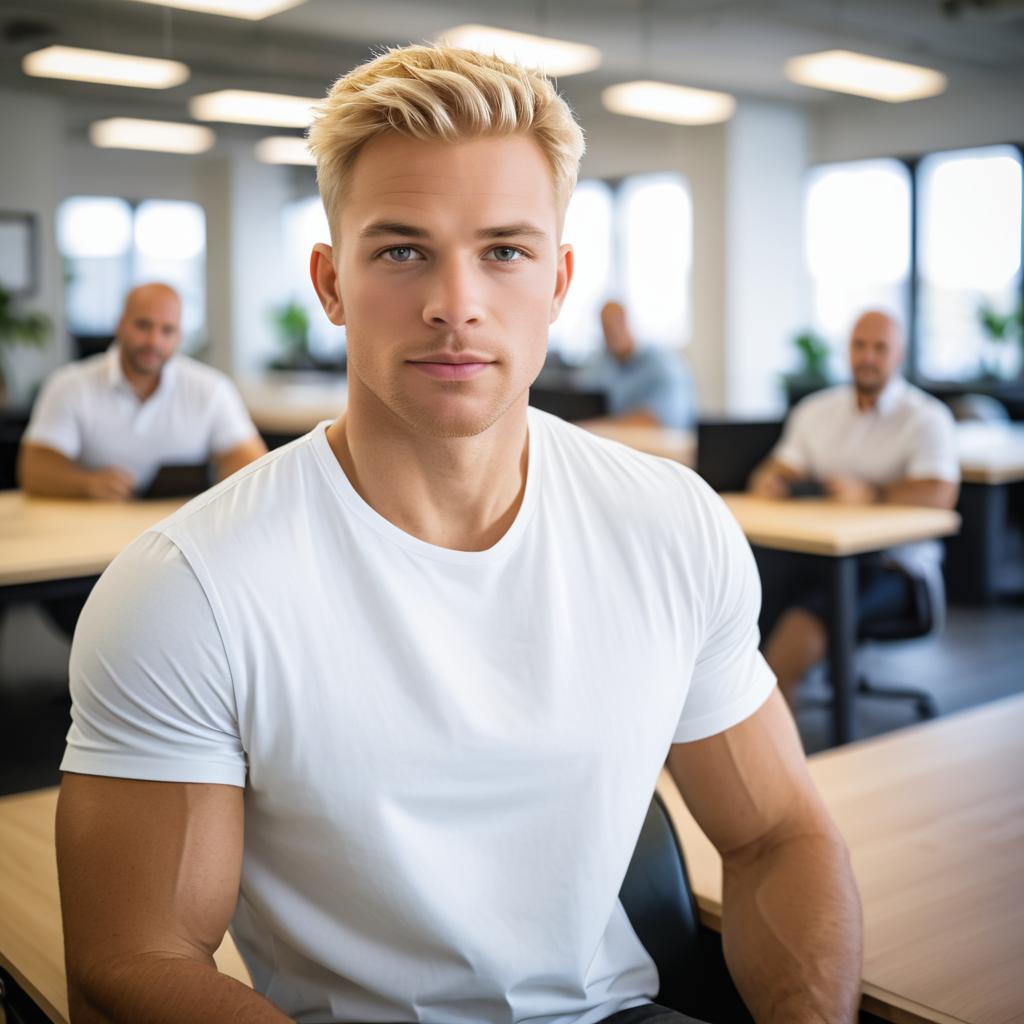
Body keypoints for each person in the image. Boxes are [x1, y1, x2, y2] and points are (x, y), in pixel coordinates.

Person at [55, 46, 861, 1024]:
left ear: (558, 281)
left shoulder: (671, 523)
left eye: (504, 251)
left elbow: (779, 834)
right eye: (401, 250)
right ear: (331, 282)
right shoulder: (189, 587)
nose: (455, 304)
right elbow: (135, 954)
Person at [748, 310, 959, 702]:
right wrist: (773, 480)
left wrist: (874, 494)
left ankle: (785, 753)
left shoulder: (926, 418)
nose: (868, 357)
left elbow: (940, 495)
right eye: (859, 346)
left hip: (895, 568)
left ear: (899, 354)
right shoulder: (816, 412)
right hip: (816, 558)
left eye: (880, 348)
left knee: (787, 647)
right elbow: (776, 469)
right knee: (745, 609)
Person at [18, 282, 266, 500]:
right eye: (143, 326)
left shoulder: (212, 389)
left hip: (180, 534)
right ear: (121, 325)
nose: (154, 341)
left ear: (179, 336)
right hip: (93, 530)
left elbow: (254, 465)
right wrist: (87, 484)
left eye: (167, 330)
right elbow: (34, 469)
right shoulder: (69, 386)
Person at [574, 301, 696, 430]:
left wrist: (597, 426)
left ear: (629, 321)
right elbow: (575, 396)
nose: (613, 332)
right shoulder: (602, 364)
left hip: (658, 446)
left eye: (618, 322)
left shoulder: (663, 365)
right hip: (614, 442)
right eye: (606, 327)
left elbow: (661, 419)